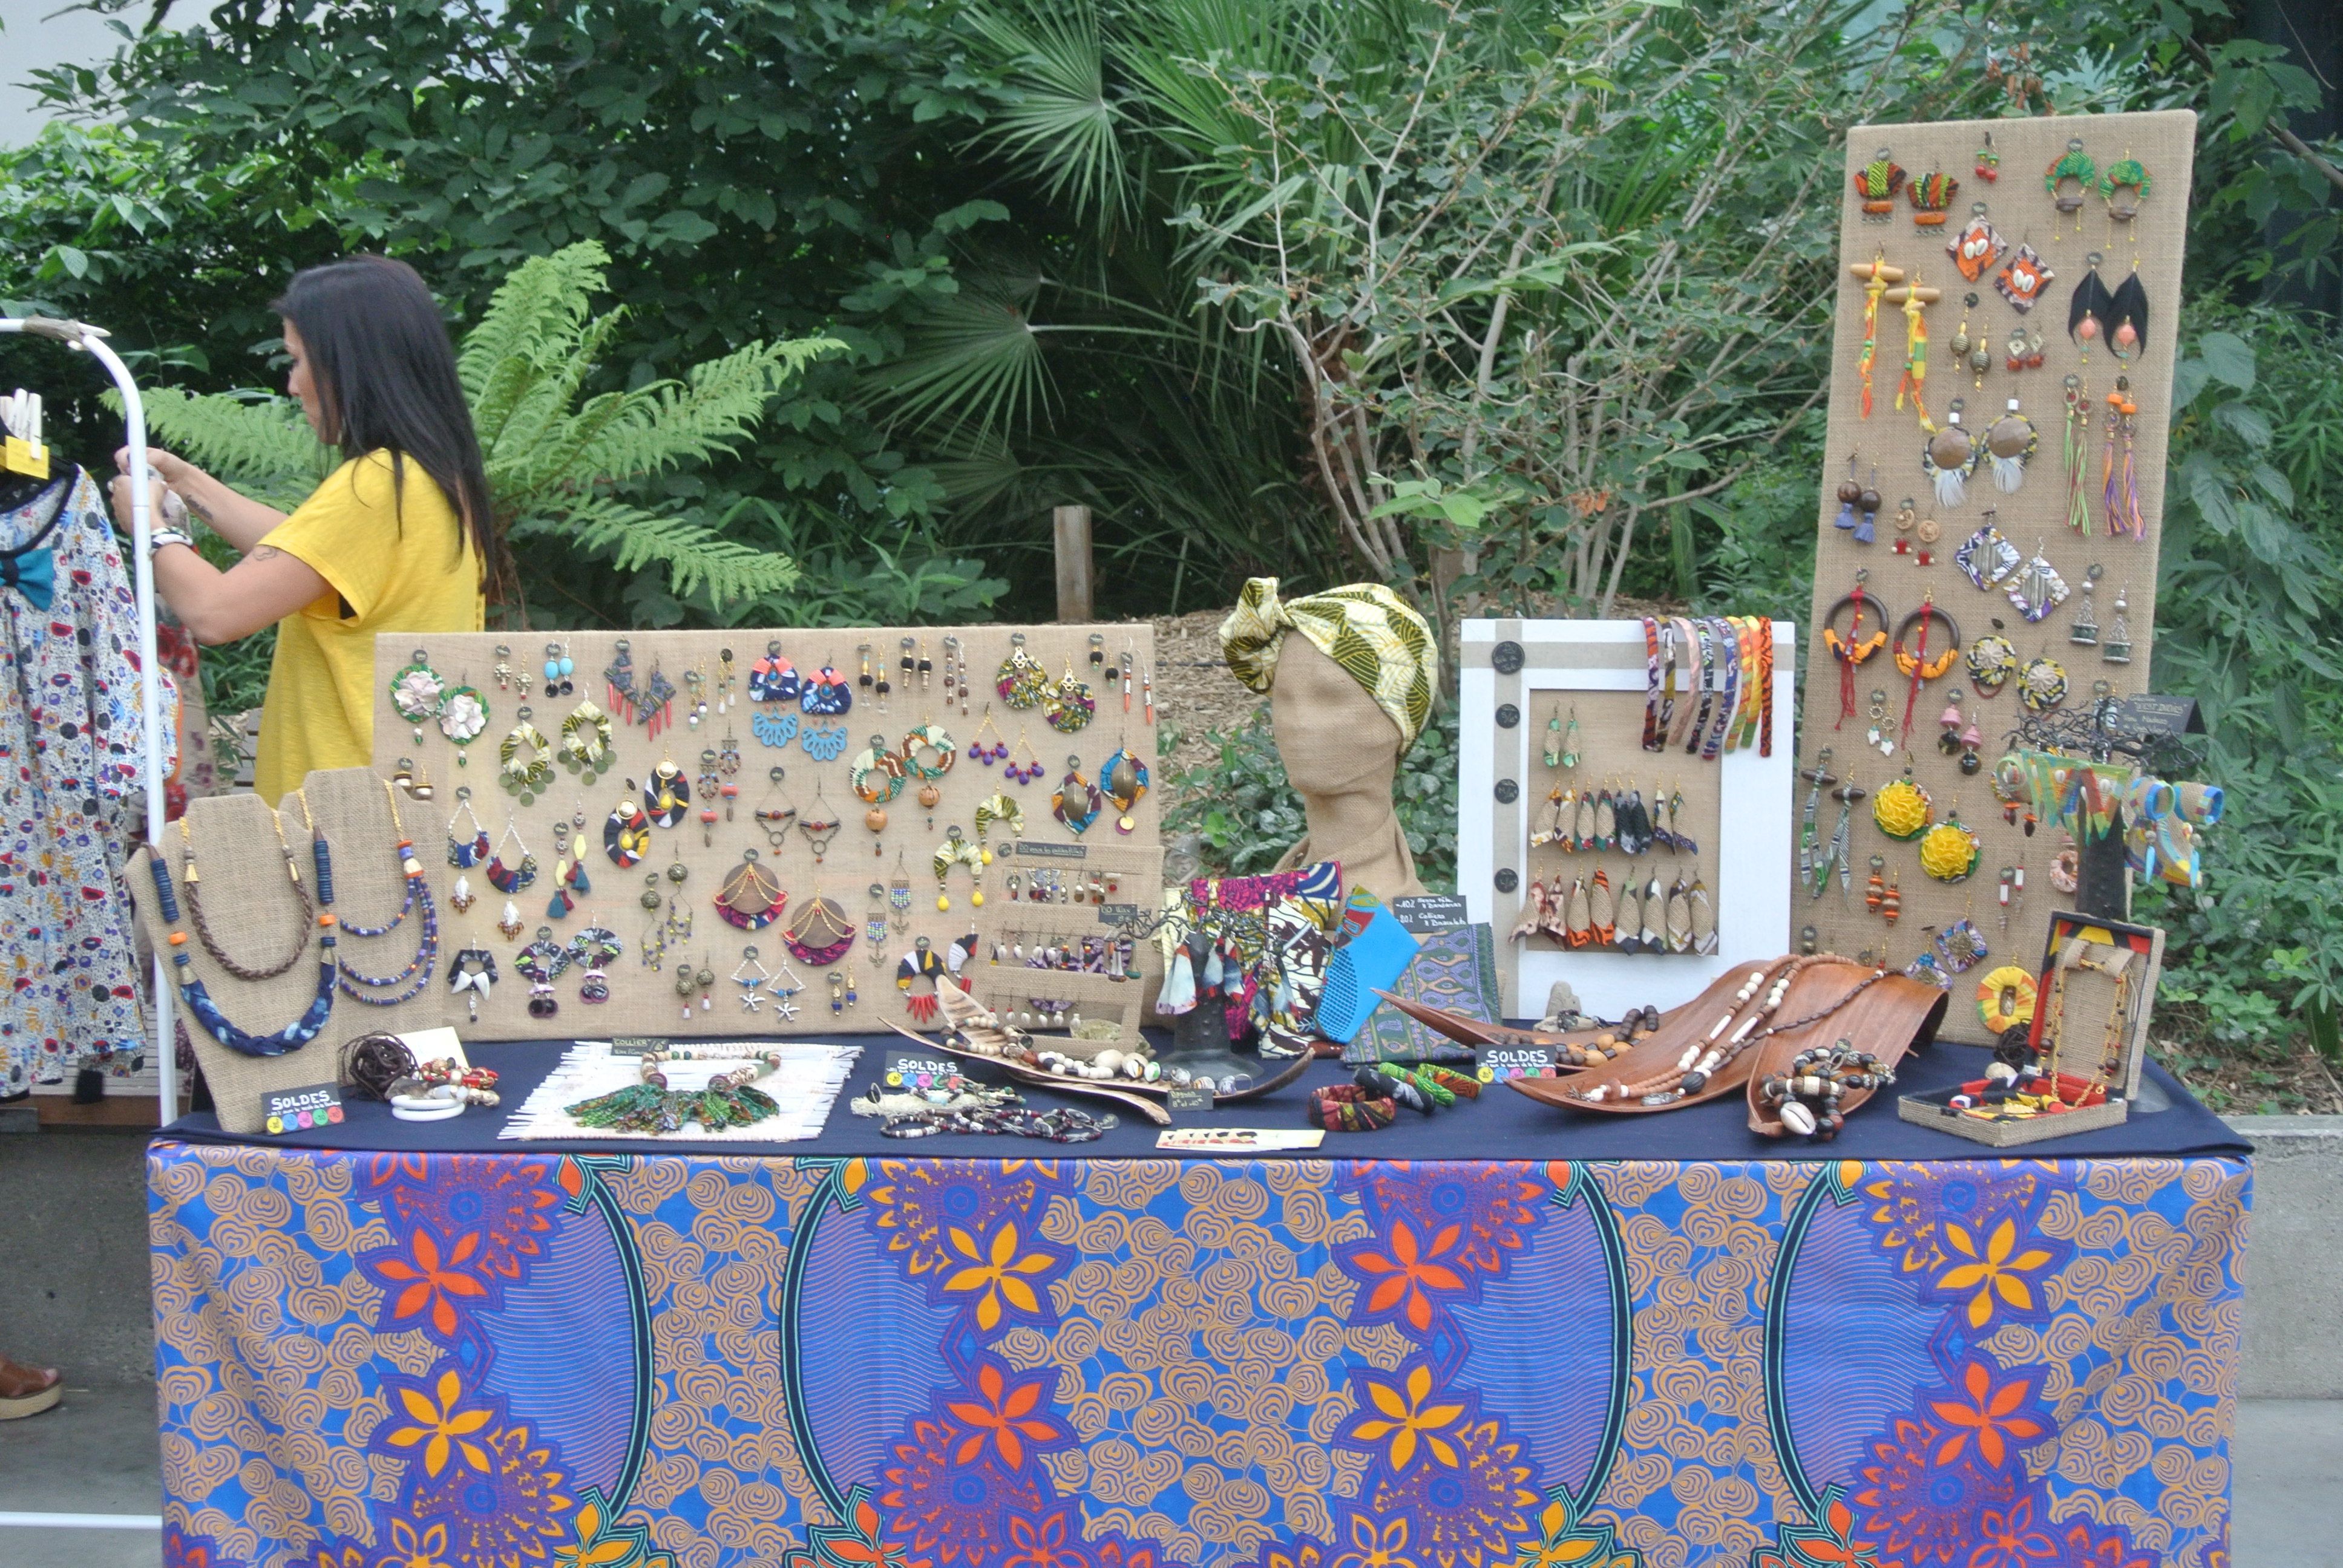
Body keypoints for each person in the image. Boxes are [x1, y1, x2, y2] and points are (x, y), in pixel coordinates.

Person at [111, 255, 499, 803]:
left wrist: (148, 525)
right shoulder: (429, 476)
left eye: (297, 361)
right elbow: (304, 554)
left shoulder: (376, 486)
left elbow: (214, 614)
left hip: (347, 820)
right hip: (406, 806)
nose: (292, 386)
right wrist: (186, 480)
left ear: (349, 365)